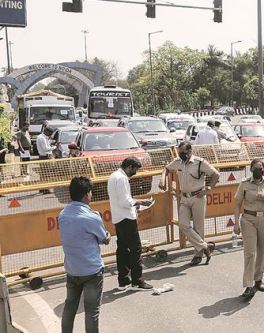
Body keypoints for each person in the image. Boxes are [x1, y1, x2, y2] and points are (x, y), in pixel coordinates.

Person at [58, 177, 110, 333]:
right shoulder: (91, 216)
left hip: (72, 269)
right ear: (87, 194)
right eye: (91, 192)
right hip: (91, 271)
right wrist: (106, 234)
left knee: (69, 307)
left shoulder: (63, 214)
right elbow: (104, 239)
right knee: (92, 312)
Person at [159, 141, 220, 266]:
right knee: (183, 224)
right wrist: (162, 180)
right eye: (180, 152)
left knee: (198, 227)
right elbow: (166, 169)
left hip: (198, 197)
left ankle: (198, 255)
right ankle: (205, 246)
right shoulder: (177, 162)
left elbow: (215, 175)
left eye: (184, 152)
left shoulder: (199, 162)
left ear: (190, 151)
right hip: (184, 198)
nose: (182, 154)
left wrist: (208, 188)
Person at [233, 159, 264, 299]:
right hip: (248, 219)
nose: (258, 170)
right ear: (251, 169)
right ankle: (248, 285)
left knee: (263, 250)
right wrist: (236, 224)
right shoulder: (244, 183)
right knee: (250, 252)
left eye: (260, 168)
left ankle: (258, 279)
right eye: (255, 168)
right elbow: (237, 204)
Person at [107, 157, 154, 291]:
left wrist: (135, 205)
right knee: (135, 249)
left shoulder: (114, 176)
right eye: (135, 170)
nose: (135, 173)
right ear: (129, 167)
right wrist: (141, 202)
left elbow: (122, 201)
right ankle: (137, 281)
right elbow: (125, 202)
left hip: (119, 217)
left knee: (123, 250)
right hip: (126, 218)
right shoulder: (121, 178)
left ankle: (123, 280)